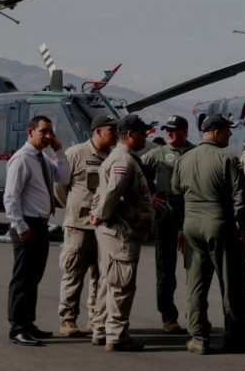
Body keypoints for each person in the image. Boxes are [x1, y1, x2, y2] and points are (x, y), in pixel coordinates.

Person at [171, 114, 245, 354]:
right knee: (232, 283)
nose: (230, 135)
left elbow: (175, 198)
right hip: (219, 222)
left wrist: (180, 228)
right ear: (217, 132)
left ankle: (198, 337)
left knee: (196, 283)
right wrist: (244, 232)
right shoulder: (229, 158)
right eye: (227, 131)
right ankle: (235, 337)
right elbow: (240, 200)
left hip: (190, 224)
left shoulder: (185, 159)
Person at [4, 115, 70, 346]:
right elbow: (10, 197)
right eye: (44, 131)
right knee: (22, 279)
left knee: (33, 278)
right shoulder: (21, 159)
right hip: (27, 225)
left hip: (40, 225)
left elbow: (63, 176)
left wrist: (60, 152)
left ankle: (28, 323)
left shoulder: (42, 158)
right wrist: (20, 226)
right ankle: (17, 328)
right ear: (30, 132)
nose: (49, 136)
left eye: (51, 132)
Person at [89, 114, 153, 352]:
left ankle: (101, 330)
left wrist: (99, 214)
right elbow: (113, 191)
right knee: (121, 285)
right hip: (121, 232)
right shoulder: (123, 160)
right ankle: (116, 335)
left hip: (113, 231)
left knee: (109, 281)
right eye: (142, 133)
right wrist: (102, 214)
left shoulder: (119, 158)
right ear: (131, 135)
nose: (145, 137)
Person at [55, 114, 117, 337]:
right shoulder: (76, 154)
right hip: (79, 227)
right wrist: (73, 210)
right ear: (98, 131)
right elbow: (61, 187)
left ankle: (95, 318)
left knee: (101, 277)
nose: (116, 134)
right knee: (73, 273)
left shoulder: (113, 157)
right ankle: (68, 318)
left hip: (104, 227)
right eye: (112, 130)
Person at [141, 115, 195, 334]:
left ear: (185, 131)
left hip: (192, 217)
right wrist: (151, 195)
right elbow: (140, 173)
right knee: (165, 272)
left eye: (174, 130)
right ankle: (168, 316)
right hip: (164, 219)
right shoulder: (156, 154)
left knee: (196, 272)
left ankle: (196, 315)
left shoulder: (195, 153)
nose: (169, 133)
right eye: (167, 130)